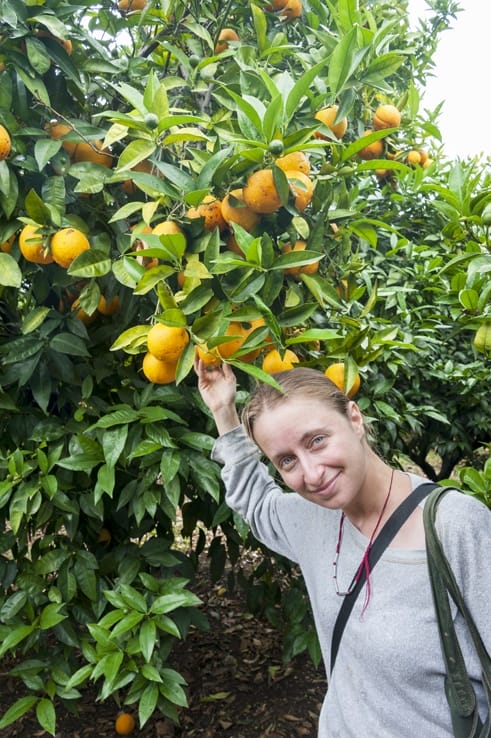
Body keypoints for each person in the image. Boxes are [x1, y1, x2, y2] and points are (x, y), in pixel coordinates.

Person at [194, 358, 491, 738]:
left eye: (317, 441)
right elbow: (255, 502)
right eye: (287, 461)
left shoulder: (455, 526)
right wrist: (223, 409)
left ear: (354, 418)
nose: (313, 474)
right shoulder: (313, 518)